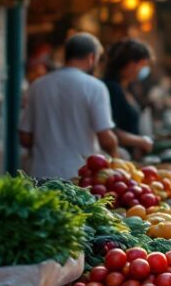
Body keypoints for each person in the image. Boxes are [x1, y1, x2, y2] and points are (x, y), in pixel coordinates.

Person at [19, 32, 118, 180]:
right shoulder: (95, 87)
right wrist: (116, 159)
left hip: (41, 176)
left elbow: (25, 138)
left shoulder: (38, 85)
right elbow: (106, 138)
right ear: (92, 58)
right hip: (79, 179)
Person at [102, 39, 155, 159]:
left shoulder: (128, 87)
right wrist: (140, 141)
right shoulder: (111, 88)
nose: (144, 69)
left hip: (130, 157)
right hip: (118, 157)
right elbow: (109, 130)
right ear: (131, 64)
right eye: (143, 64)